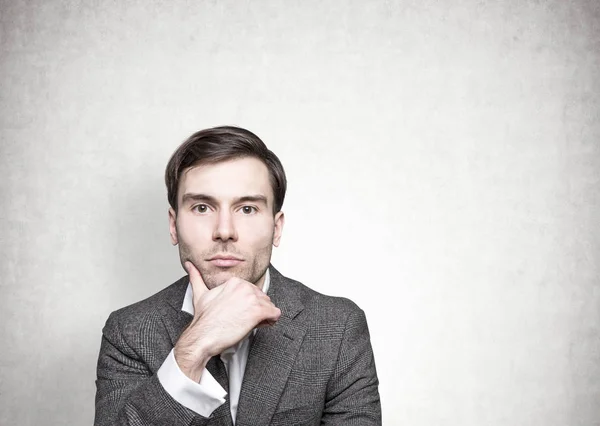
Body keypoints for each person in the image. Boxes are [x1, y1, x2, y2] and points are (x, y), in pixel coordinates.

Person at [94, 126, 381, 425]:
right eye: (202, 207)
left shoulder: (338, 326)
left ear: (276, 227)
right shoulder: (128, 332)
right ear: (173, 225)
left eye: (247, 209)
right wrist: (194, 347)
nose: (225, 231)